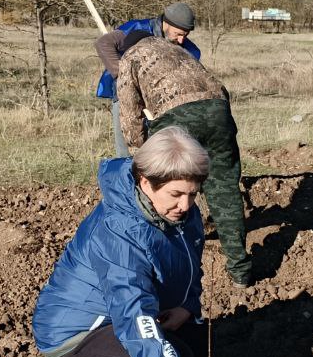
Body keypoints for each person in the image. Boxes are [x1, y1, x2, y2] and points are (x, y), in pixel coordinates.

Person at [31, 127, 215, 357]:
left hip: (124, 316)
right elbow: (133, 315)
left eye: (193, 194)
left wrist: (186, 305)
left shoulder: (178, 214)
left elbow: (188, 263)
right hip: (75, 330)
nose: (186, 205)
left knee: (195, 341)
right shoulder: (119, 233)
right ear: (145, 182)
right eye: (176, 194)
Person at [107, 28, 253, 287]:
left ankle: (170, 264)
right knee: (224, 192)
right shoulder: (175, 49)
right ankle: (240, 271)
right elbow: (217, 86)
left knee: (168, 188)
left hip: (177, 115)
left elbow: (130, 116)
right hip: (219, 110)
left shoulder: (131, 56)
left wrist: (143, 157)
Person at [96, 3, 199, 158]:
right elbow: (104, 44)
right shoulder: (138, 28)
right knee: (128, 146)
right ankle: (127, 179)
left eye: (186, 35)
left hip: (161, 101)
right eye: (178, 34)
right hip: (126, 95)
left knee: (159, 150)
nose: (182, 40)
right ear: (166, 23)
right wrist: (125, 76)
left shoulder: (188, 49)